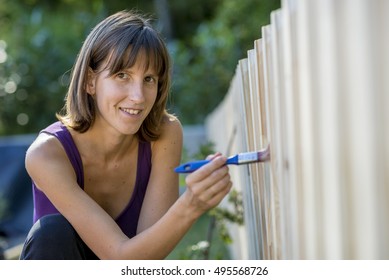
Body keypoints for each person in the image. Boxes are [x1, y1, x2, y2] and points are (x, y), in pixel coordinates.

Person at [19, 10, 232, 260]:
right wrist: (190, 205)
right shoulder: (46, 155)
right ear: (90, 81)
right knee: (51, 232)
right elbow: (120, 258)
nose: (139, 96)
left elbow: (145, 265)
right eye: (122, 75)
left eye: (149, 79)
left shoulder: (164, 134)